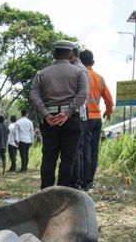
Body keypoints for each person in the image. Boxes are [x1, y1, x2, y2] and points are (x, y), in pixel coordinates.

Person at [29, 40, 88, 189]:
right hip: (71, 119)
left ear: (54, 54)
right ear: (70, 54)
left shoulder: (41, 74)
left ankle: (47, 192)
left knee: (49, 157)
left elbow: (34, 95)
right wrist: (67, 112)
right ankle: (63, 191)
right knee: (69, 158)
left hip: (50, 120)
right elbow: (83, 94)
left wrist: (46, 114)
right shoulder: (79, 72)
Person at [77, 49, 114, 191]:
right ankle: (90, 181)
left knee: (84, 150)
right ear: (92, 62)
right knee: (93, 150)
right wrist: (108, 111)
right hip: (97, 118)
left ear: (80, 61)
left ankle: (84, 181)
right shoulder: (99, 78)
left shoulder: (80, 75)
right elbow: (109, 99)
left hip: (85, 117)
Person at [10, 108, 34, 172]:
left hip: (21, 140)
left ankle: (23, 168)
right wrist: (32, 140)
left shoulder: (18, 122)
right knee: (26, 154)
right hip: (28, 140)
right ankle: (25, 168)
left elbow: (16, 132)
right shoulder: (30, 122)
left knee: (22, 154)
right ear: (27, 114)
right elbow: (32, 132)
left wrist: (16, 140)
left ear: (21, 114)